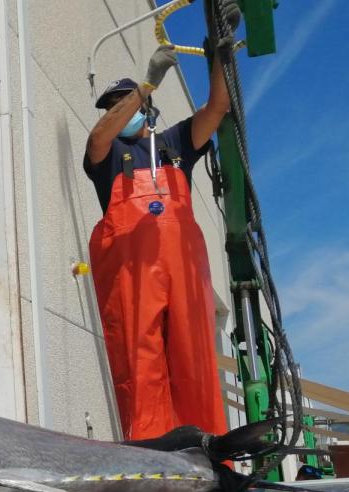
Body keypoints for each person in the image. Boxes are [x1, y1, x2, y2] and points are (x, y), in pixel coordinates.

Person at [83, 0, 240, 441]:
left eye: (124, 102)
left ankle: (210, 458)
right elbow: (97, 136)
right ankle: (152, 463)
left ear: (148, 111)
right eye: (113, 106)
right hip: (132, 277)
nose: (118, 111)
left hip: (182, 269)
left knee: (194, 363)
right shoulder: (108, 154)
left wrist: (221, 48)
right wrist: (148, 83)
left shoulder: (177, 142)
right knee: (140, 363)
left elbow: (218, 106)